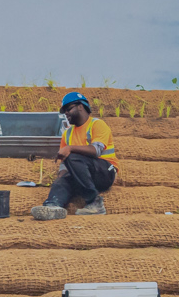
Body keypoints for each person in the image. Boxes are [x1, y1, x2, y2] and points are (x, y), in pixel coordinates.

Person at [29, 90, 117, 219]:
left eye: (68, 109)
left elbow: (96, 150)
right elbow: (65, 164)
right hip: (83, 175)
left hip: (105, 173)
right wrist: (61, 180)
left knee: (72, 156)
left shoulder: (97, 124)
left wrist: (70, 148)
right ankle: (53, 206)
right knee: (63, 178)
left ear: (80, 106)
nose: (66, 113)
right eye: (64, 111)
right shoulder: (67, 134)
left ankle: (94, 203)